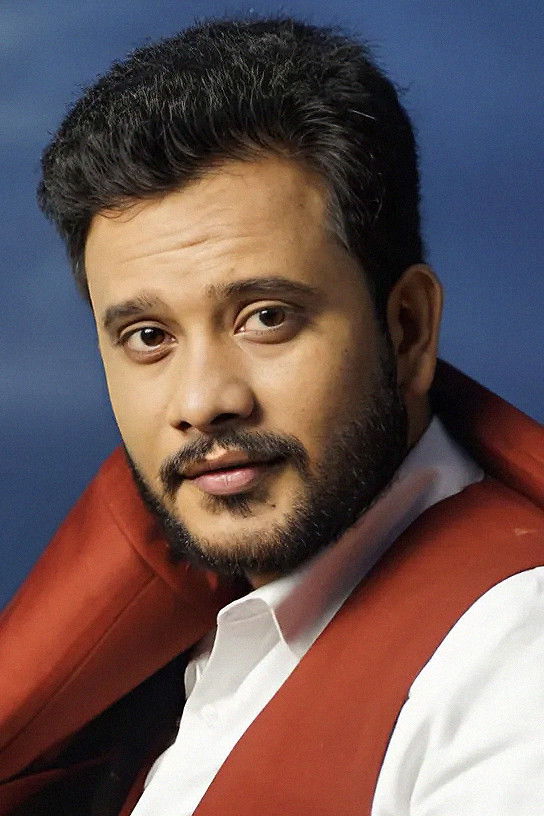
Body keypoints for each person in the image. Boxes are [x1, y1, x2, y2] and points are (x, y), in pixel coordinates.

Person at [1, 16, 543, 816]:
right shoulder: (153, 651)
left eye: (266, 318)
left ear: (407, 330)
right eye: (148, 337)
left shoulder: (513, 667)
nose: (202, 401)